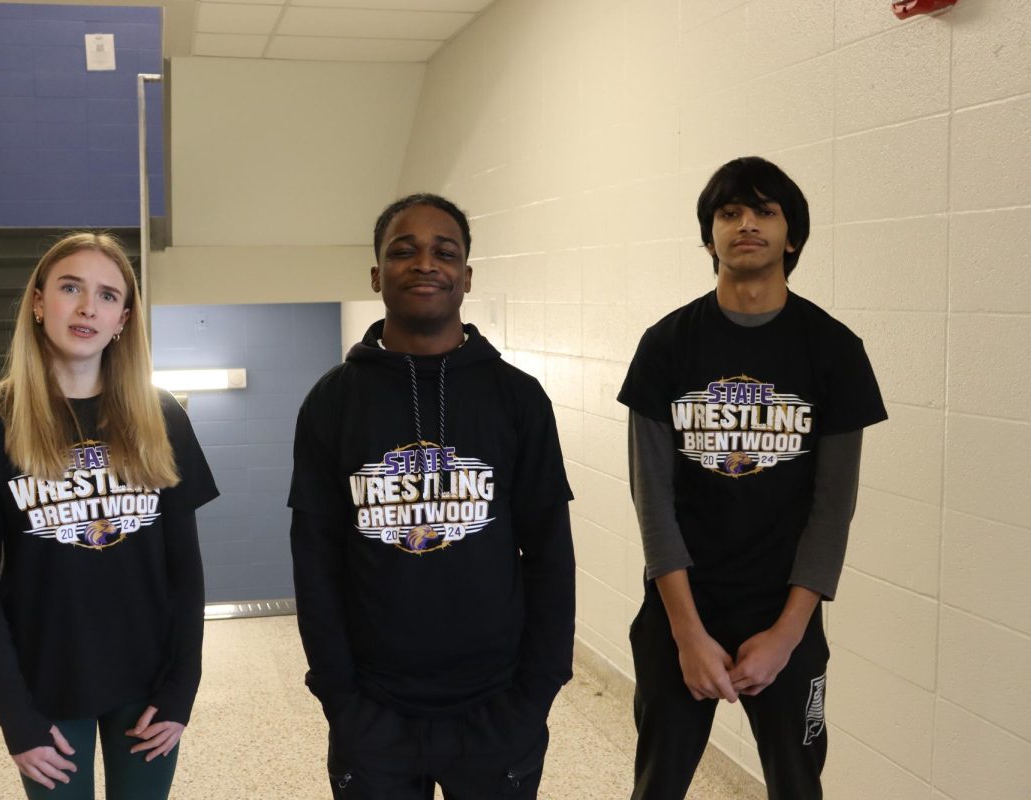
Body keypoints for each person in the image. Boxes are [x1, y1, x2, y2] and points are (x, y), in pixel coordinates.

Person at [288, 193, 576, 799]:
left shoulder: (518, 399)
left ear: (466, 276)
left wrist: (537, 690)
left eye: (444, 251)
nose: (425, 263)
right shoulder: (332, 401)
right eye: (403, 250)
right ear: (376, 275)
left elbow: (551, 553)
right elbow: (314, 559)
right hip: (374, 711)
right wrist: (340, 696)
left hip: (497, 708)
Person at [618, 157, 887, 800]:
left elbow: (833, 508)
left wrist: (787, 636)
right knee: (657, 786)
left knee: (798, 786)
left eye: (765, 212)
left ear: (791, 237)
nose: (746, 224)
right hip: (681, 607)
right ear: (708, 236)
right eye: (730, 212)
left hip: (784, 610)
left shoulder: (834, 351)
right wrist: (687, 634)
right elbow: (652, 499)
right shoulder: (665, 346)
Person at [0, 232, 218, 799]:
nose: (88, 306)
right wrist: (15, 717)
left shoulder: (163, 419)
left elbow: (186, 570)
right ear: (38, 304)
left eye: (108, 295)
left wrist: (183, 688)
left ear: (124, 320)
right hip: (45, 687)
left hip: (150, 686)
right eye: (70, 288)